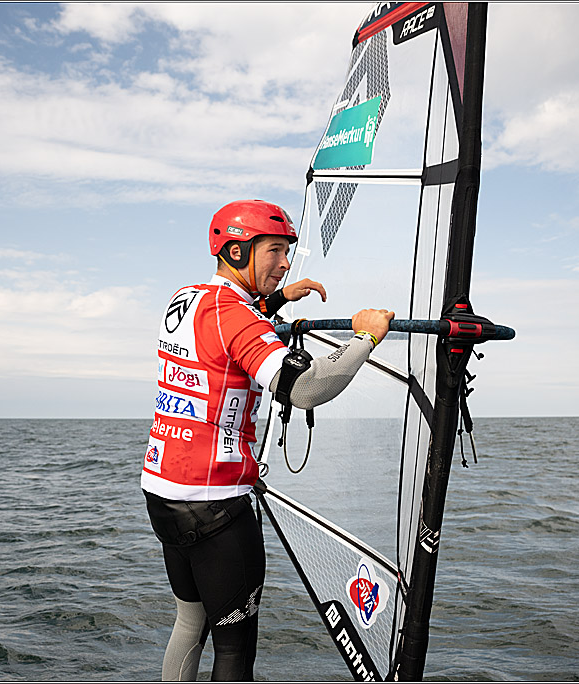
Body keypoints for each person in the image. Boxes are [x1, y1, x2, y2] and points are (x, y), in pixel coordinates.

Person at [143, 199, 394, 681]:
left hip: (164, 494)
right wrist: (366, 338)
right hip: (217, 506)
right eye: (275, 251)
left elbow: (226, 325)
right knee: (235, 651)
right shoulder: (240, 317)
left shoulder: (187, 298)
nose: (285, 263)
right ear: (237, 252)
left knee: (190, 621)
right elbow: (306, 388)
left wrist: (278, 299)